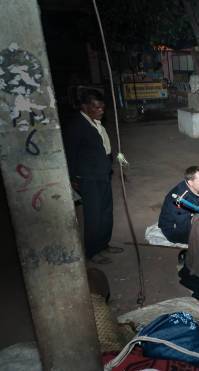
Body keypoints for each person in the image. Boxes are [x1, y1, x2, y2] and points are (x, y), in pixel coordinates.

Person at [64, 89, 123, 265]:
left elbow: (104, 147)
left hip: (102, 174)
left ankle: (103, 244)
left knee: (106, 212)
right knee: (93, 216)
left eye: (102, 107)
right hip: (88, 177)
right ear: (84, 107)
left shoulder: (95, 122)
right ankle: (92, 251)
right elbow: (70, 153)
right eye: (96, 107)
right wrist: (73, 177)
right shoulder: (76, 125)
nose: (101, 110)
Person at [158, 166, 199, 244]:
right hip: (174, 231)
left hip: (186, 219)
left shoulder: (195, 186)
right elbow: (183, 228)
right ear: (190, 182)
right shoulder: (181, 200)